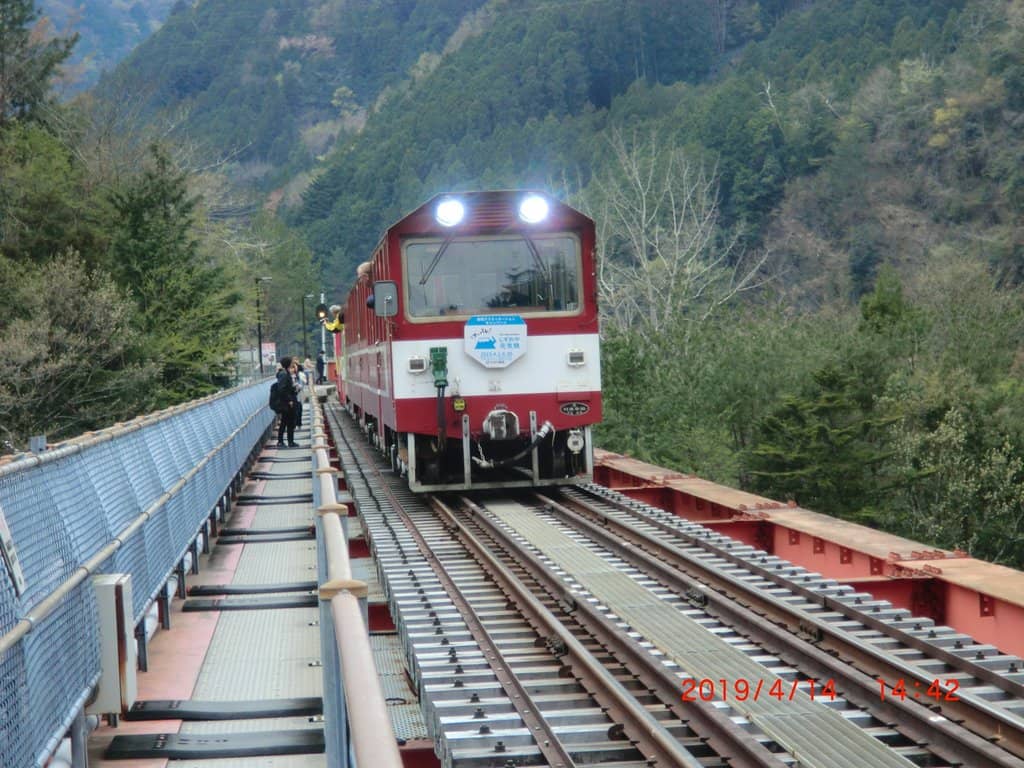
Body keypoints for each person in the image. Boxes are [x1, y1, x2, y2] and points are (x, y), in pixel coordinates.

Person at [276, 356, 299, 447]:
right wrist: (289, 400)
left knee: (288, 421)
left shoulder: (284, 373)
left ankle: (290, 441)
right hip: (287, 402)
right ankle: (282, 441)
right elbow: (282, 389)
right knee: (286, 422)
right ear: (288, 363)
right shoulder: (284, 374)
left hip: (288, 400)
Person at [291, 359, 306, 428]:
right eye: (292, 367)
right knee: (295, 410)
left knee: (299, 409)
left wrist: (298, 386)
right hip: (292, 396)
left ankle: (298, 423)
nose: (294, 368)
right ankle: (295, 424)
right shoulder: (289, 376)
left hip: (299, 394)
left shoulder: (300, 375)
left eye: (295, 367)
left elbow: (303, 383)